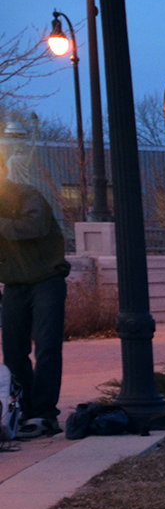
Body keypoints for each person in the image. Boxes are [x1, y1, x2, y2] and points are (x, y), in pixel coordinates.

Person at [0, 155, 71, 439]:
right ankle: (25, 410)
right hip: (14, 286)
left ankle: (45, 414)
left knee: (47, 348)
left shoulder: (26, 194)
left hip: (46, 281)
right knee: (14, 353)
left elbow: (35, 226)